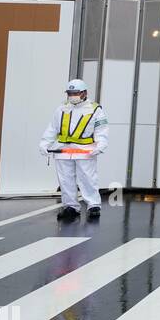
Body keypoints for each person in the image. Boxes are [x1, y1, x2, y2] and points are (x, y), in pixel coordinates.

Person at [39, 78, 109, 220]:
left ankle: (93, 205)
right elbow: (52, 128)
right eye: (70, 93)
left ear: (84, 93)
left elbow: (101, 130)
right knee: (65, 180)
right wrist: (44, 143)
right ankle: (70, 206)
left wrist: (101, 145)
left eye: (75, 93)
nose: (72, 96)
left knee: (88, 178)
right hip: (63, 150)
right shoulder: (62, 108)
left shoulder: (95, 109)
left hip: (85, 150)